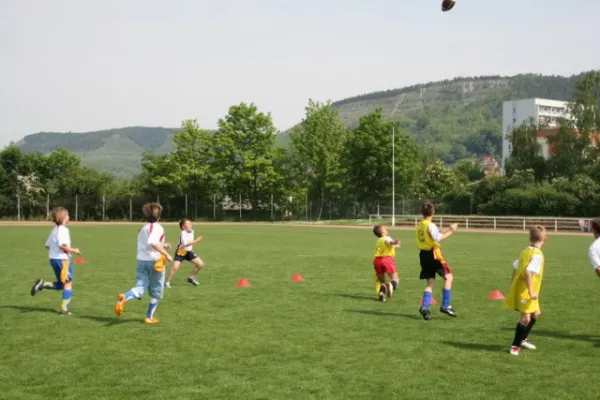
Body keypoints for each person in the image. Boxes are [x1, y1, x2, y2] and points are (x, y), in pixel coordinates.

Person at [114, 203, 173, 324]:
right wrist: (166, 254)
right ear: (159, 215)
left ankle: (125, 297)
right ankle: (149, 317)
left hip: (141, 261)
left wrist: (163, 244)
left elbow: (150, 243)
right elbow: (153, 243)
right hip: (155, 262)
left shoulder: (143, 228)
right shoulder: (157, 227)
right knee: (156, 291)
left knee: (140, 287)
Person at [503, 225, 547, 356]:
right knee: (526, 319)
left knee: (536, 314)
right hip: (526, 291)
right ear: (546, 239)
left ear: (529, 238)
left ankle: (523, 339)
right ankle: (515, 346)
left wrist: (512, 284)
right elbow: (528, 271)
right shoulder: (537, 255)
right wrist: (531, 290)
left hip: (525, 289)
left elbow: (515, 267)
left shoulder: (525, 251)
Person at [30, 207, 81, 315]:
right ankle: (64, 309)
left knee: (62, 284)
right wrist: (73, 250)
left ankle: (42, 284)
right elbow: (62, 245)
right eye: (67, 215)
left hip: (54, 259)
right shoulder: (63, 230)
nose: (69, 217)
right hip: (63, 260)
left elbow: (47, 245)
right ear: (62, 217)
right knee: (68, 284)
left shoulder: (54, 230)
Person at [416, 202, 458, 320]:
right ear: (433, 212)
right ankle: (445, 305)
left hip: (423, 254)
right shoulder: (431, 225)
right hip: (433, 254)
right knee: (448, 277)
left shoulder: (421, 224)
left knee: (430, 283)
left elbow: (433, 234)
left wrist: (447, 229)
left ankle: (425, 307)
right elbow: (438, 238)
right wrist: (451, 231)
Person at [165, 219, 204, 288]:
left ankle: (191, 278)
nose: (190, 225)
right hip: (181, 251)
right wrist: (197, 240)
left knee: (200, 264)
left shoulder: (192, 231)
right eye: (188, 224)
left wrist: (194, 242)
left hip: (188, 252)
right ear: (183, 227)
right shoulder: (183, 232)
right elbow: (185, 244)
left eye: (190, 223)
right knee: (175, 267)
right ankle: (168, 282)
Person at [372, 225, 401, 302]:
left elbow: (391, 245)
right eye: (384, 228)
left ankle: (381, 293)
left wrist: (396, 244)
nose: (386, 229)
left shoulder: (378, 240)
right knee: (395, 279)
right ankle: (391, 285)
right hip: (387, 259)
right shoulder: (387, 238)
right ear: (382, 232)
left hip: (377, 261)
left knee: (382, 281)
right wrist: (395, 242)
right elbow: (390, 242)